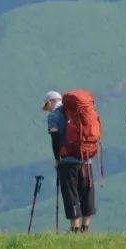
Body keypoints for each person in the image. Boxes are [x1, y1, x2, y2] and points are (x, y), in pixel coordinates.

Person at [44, 90, 95, 233]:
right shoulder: (79, 112)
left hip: (68, 161)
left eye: (46, 105)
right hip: (86, 158)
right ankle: (86, 228)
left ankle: (75, 229)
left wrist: (57, 159)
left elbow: (55, 140)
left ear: (50, 102)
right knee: (86, 192)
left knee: (71, 193)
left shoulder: (53, 116)